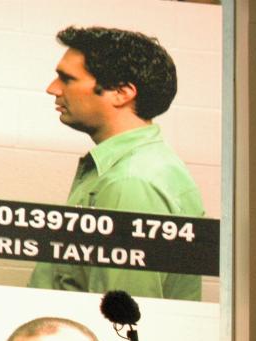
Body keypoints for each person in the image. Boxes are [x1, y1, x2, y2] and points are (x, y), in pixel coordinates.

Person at [29, 26, 204, 301]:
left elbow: (120, 327)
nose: (52, 88)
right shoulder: (137, 167)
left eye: (67, 79)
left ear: (122, 93)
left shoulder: (131, 182)